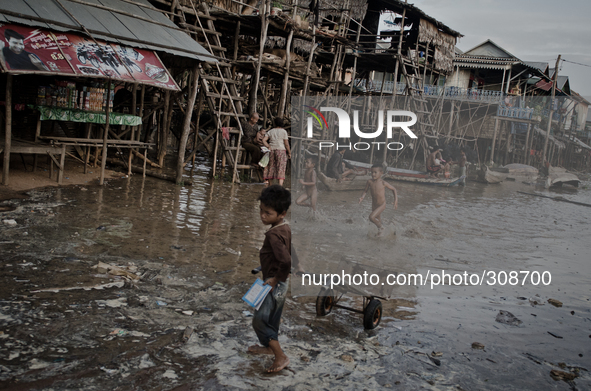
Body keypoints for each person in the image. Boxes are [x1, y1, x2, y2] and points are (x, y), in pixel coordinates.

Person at [248, 185, 298, 373]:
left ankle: (280, 356)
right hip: (280, 283)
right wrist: (298, 265)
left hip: (274, 284)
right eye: (261, 211)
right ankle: (270, 348)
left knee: (260, 320)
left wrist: (275, 279)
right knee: (273, 318)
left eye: (267, 213)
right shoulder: (285, 228)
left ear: (282, 213)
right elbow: (291, 251)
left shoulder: (273, 235)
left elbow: (285, 259)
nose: (262, 216)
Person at [359, 164, 398, 236]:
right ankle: (384, 232)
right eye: (372, 172)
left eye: (375, 172)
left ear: (381, 173)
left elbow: (394, 189)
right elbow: (365, 191)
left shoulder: (383, 183)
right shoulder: (369, 181)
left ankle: (382, 228)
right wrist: (362, 197)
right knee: (377, 219)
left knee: (371, 217)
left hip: (382, 204)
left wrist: (396, 200)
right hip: (374, 205)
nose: (373, 174)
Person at [263, 117, 291, 186]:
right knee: (281, 168)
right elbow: (286, 144)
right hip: (281, 151)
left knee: (271, 167)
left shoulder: (271, 131)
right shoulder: (283, 131)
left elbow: (264, 140)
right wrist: (289, 152)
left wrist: (268, 146)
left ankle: (270, 185)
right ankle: (280, 186)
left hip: (271, 151)